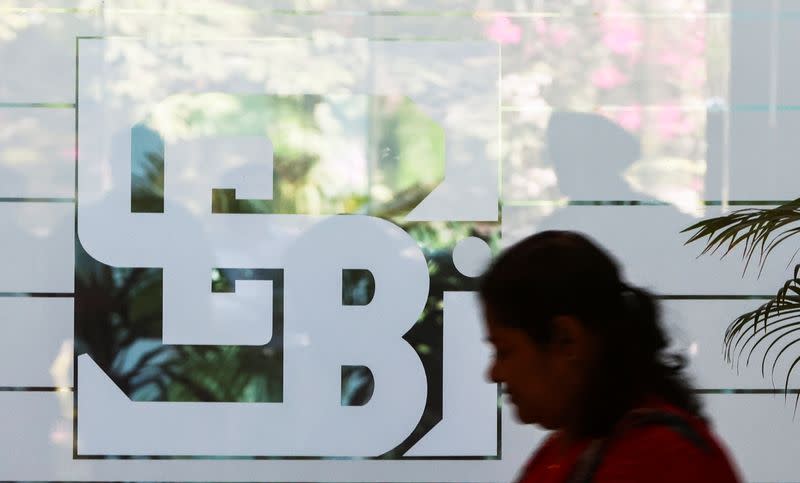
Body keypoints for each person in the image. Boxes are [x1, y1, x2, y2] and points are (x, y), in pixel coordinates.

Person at [479, 230, 741, 483]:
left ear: (567, 340)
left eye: (505, 351)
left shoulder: (658, 460)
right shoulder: (571, 446)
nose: (494, 373)